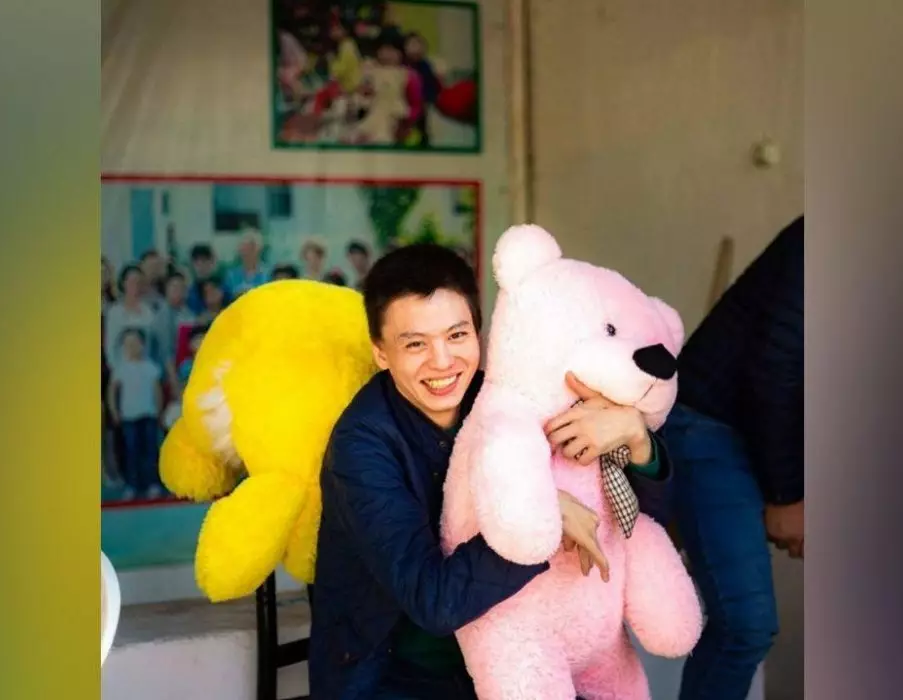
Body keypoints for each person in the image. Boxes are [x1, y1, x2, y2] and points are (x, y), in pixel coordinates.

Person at [310, 243, 675, 700]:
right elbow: (434, 601)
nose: (442, 361)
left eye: (457, 335)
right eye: (416, 344)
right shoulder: (361, 446)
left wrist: (636, 438)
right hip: (403, 672)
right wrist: (541, 518)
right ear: (381, 353)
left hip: (525, 649)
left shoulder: (506, 399)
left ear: (479, 333)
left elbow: (645, 519)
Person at [661, 215, 803, 700]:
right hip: (709, 423)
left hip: (764, 436)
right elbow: (776, 366)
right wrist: (787, 496)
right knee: (746, 625)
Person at [107, 328, 164, 501]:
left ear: (143, 345)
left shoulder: (150, 367)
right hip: (129, 417)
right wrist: (114, 411)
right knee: (131, 452)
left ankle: (152, 484)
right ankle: (132, 485)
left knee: (150, 451)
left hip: (149, 415)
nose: (132, 347)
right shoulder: (121, 368)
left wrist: (159, 411)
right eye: (128, 344)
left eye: (136, 343)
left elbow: (157, 391)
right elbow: (112, 391)